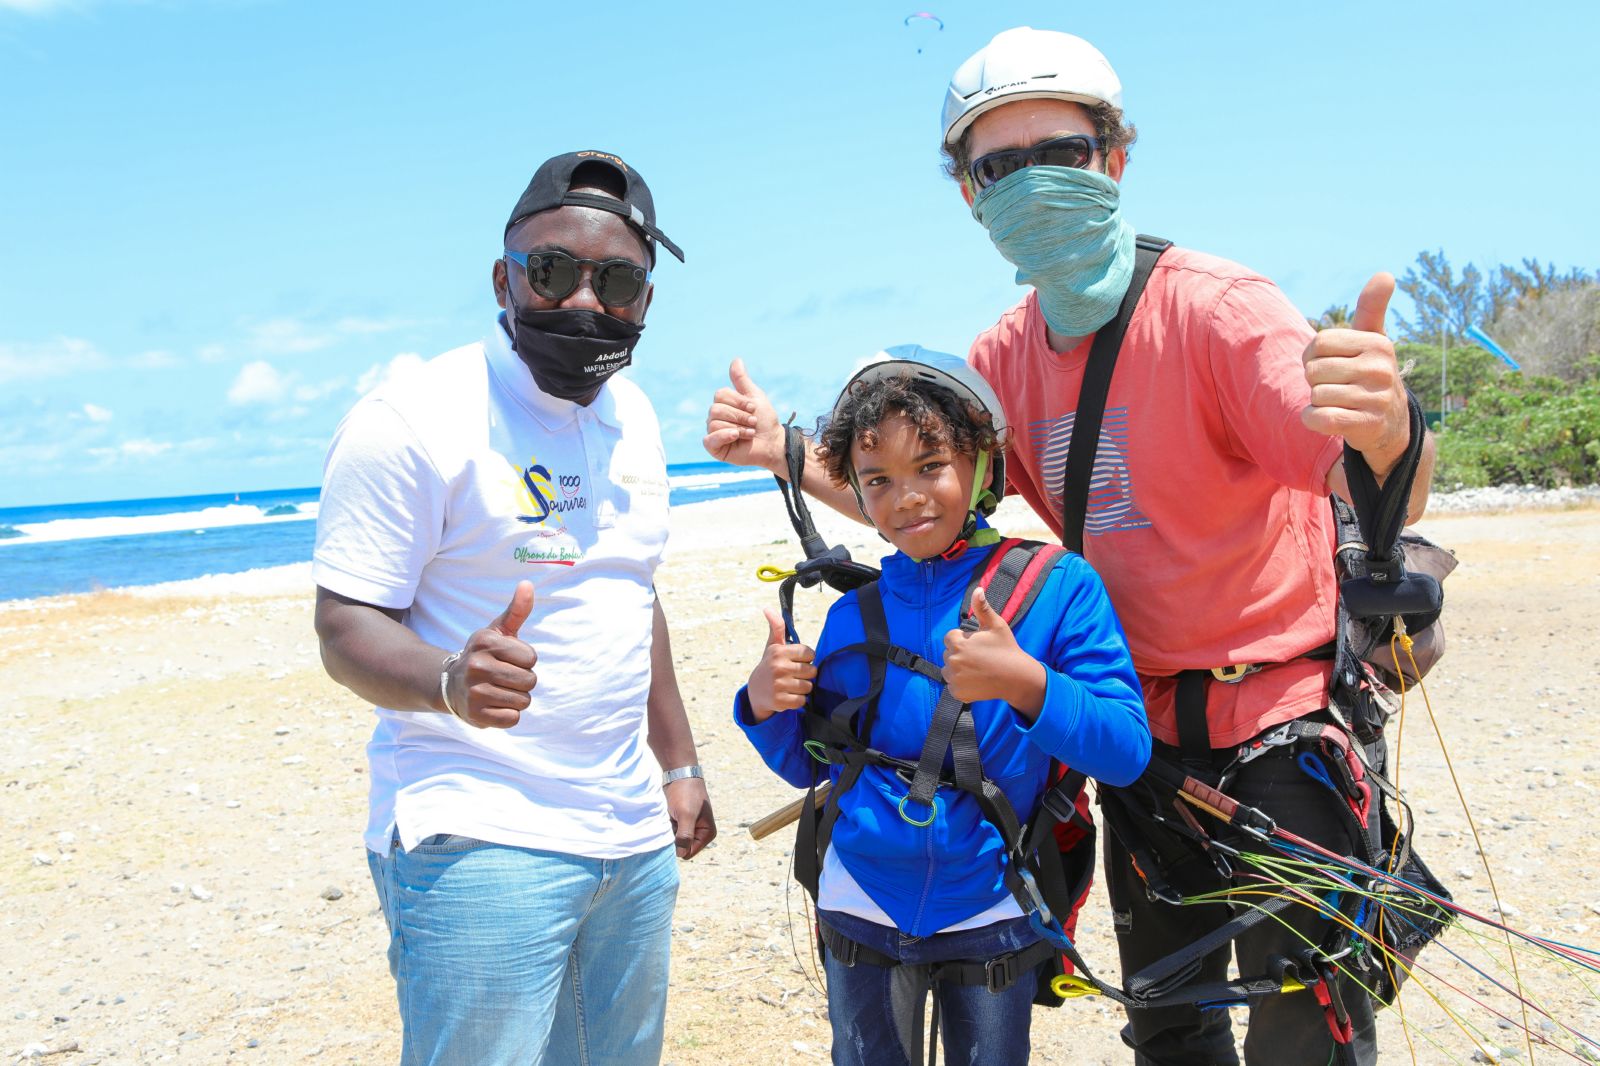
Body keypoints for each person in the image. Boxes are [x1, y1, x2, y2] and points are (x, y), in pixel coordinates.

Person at [704, 28, 1435, 1066]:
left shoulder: (1221, 313)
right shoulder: (1002, 356)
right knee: (1168, 1019)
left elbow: (1360, 468)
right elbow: (926, 502)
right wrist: (784, 450)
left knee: (1301, 1019)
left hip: (1278, 725)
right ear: (968, 192)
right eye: (1000, 165)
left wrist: (1387, 426)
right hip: (1133, 736)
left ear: (1117, 159)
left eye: (1064, 153)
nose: (1034, 183)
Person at [313, 149, 715, 1066]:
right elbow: (344, 626)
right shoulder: (414, 419)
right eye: (553, 271)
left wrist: (679, 763)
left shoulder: (636, 416)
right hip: (477, 830)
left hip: (628, 832)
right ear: (504, 277)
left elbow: (628, 592)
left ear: (645, 300)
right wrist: (450, 679)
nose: (584, 301)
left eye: (617, 281)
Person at [736, 348, 1150, 1066]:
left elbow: (1125, 749)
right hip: (860, 900)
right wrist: (765, 704)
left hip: (992, 901)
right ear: (858, 494)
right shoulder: (853, 613)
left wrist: (1029, 684)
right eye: (879, 480)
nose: (907, 498)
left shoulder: (1059, 586)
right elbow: (813, 769)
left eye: (931, 466)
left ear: (984, 464)